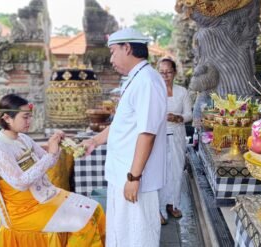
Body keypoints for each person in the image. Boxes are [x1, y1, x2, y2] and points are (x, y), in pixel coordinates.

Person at [81, 28, 167, 246]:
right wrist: (94, 141)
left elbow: (147, 134)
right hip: (123, 174)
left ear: (127, 48)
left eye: (113, 52)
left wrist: (134, 178)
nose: (111, 59)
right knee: (122, 233)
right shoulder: (135, 78)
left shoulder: (147, 81)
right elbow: (121, 124)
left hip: (134, 177)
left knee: (137, 236)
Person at [0, 94, 105, 247]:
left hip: (44, 195)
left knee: (96, 210)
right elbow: (20, 183)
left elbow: (49, 162)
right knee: (83, 223)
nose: (29, 121)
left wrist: (55, 144)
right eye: (25, 117)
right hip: (23, 210)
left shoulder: (23, 138)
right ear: (7, 118)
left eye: (30, 117)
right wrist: (51, 154)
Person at [157, 58, 192, 225]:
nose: (165, 76)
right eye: (161, 72)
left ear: (175, 73)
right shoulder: (154, 91)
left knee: (176, 171)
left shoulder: (182, 91)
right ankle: (157, 209)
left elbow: (189, 115)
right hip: (158, 137)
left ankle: (173, 205)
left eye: (168, 72)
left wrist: (177, 117)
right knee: (160, 172)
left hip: (177, 135)